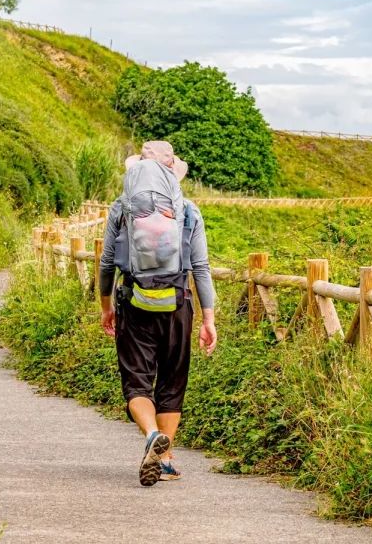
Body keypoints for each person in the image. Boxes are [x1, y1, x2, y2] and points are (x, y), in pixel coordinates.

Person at [99, 141, 218, 487]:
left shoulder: (121, 208)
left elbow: (107, 263)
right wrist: (208, 319)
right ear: (172, 173)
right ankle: (165, 460)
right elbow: (201, 267)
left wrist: (106, 307)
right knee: (172, 379)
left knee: (137, 380)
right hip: (178, 303)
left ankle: (153, 435)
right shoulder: (189, 211)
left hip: (133, 301)